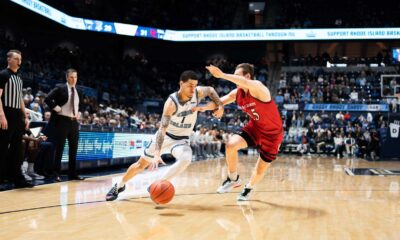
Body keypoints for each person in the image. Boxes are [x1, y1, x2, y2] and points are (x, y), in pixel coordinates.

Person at [106, 70, 224, 201]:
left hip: (182, 140)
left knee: (186, 158)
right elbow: (162, 129)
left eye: (195, 85)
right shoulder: (171, 103)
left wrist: (219, 106)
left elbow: (211, 90)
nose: (193, 88)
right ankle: (119, 185)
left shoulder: (198, 93)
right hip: (166, 136)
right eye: (190, 85)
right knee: (140, 165)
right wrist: (157, 154)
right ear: (181, 84)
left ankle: (156, 184)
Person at [197, 63, 283, 201]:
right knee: (230, 145)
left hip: (273, 134)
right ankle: (233, 179)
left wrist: (222, 75)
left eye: (237, 76)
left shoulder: (258, 87)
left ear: (247, 76)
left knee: (260, 169)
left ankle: (248, 188)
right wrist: (201, 107)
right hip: (255, 127)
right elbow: (219, 102)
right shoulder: (237, 93)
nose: (235, 79)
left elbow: (243, 82)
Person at [0, 49, 33, 189]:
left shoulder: (19, 77)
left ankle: (17, 178)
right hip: (5, 113)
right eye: (16, 58)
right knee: (1, 147)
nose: (19, 61)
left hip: (17, 116)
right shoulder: (3, 74)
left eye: (20, 58)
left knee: (17, 148)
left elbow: (20, 98)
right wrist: (1, 115)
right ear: (9, 60)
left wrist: (25, 116)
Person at [44, 69, 83, 181]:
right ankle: (56, 173)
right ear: (67, 77)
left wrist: (80, 112)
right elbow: (48, 99)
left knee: (74, 148)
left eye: (75, 77)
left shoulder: (78, 91)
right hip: (62, 121)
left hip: (73, 122)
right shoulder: (60, 87)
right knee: (60, 147)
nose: (74, 79)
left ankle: (72, 174)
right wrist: (56, 108)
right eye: (71, 77)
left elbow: (82, 104)